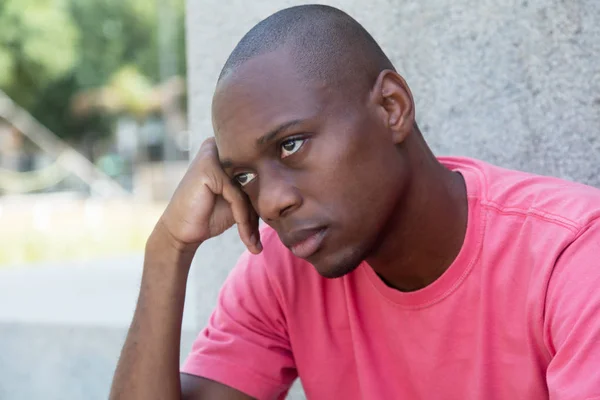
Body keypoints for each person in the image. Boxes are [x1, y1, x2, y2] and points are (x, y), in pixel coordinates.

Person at [109, 4, 600, 400]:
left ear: (392, 108)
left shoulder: (572, 259)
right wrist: (168, 248)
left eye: (291, 145)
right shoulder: (285, 272)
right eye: (244, 175)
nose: (272, 201)